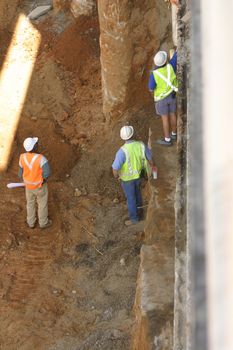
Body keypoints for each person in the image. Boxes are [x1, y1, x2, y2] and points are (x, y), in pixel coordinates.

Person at [112, 126, 153, 226]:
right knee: (138, 194)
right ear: (133, 134)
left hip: (127, 180)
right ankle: (140, 212)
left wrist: (116, 177)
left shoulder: (122, 151)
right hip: (138, 176)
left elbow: (115, 169)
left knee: (131, 198)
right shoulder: (141, 145)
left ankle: (134, 219)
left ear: (122, 137)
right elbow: (150, 159)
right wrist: (152, 171)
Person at [18, 137, 52, 229]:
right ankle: (43, 223)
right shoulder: (41, 158)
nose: (38, 144)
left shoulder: (22, 157)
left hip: (28, 187)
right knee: (42, 204)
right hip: (40, 186)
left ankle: (31, 222)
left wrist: (23, 182)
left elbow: (20, 173)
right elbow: (47, 172)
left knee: (30, 203)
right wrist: (43, 180)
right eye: (36, 144)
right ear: (34, 147)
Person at [148, 50, 178, 146]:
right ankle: (174, 134)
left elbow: (151, 88)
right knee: (173, 114)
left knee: (165, 119)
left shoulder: (154, 74)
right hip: (172, 95)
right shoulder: (170, 67)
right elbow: (175, 58)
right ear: (165, 61)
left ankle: (167, 139)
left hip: (161, 100)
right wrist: (176, 51)